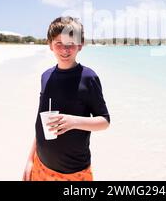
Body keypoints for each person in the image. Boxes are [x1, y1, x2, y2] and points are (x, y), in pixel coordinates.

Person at [23, 16, 111, 181]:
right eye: (59, 44)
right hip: (41, 165)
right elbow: (40, 125)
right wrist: (30, 160)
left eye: (70, 44)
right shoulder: (46, 76)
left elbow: (104, 122)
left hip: (75, 171)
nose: (65, 50)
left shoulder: (88, 77)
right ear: (50, 45)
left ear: (80, 45)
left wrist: (73, 121)